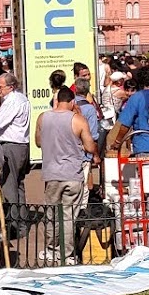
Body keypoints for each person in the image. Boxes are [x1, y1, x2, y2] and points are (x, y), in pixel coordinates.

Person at [36, 87, 99, 263]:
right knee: (68, 216)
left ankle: (51, 249)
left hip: (51, 174)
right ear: (72, 101)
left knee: (52, 214)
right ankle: (67, 254)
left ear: (57, 100)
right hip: (72, 174)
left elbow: (38, 142)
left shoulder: (43, 118)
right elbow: (90, 147)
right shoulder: (78, 120)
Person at [0, 72, 32, 208]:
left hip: (12, 146)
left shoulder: (13, 100)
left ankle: (12, 218)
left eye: (0, 87)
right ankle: (21, 218)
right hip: (21, 145)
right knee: (18, 185)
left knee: (9, 186)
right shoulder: (22, 99)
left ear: (11, 87)